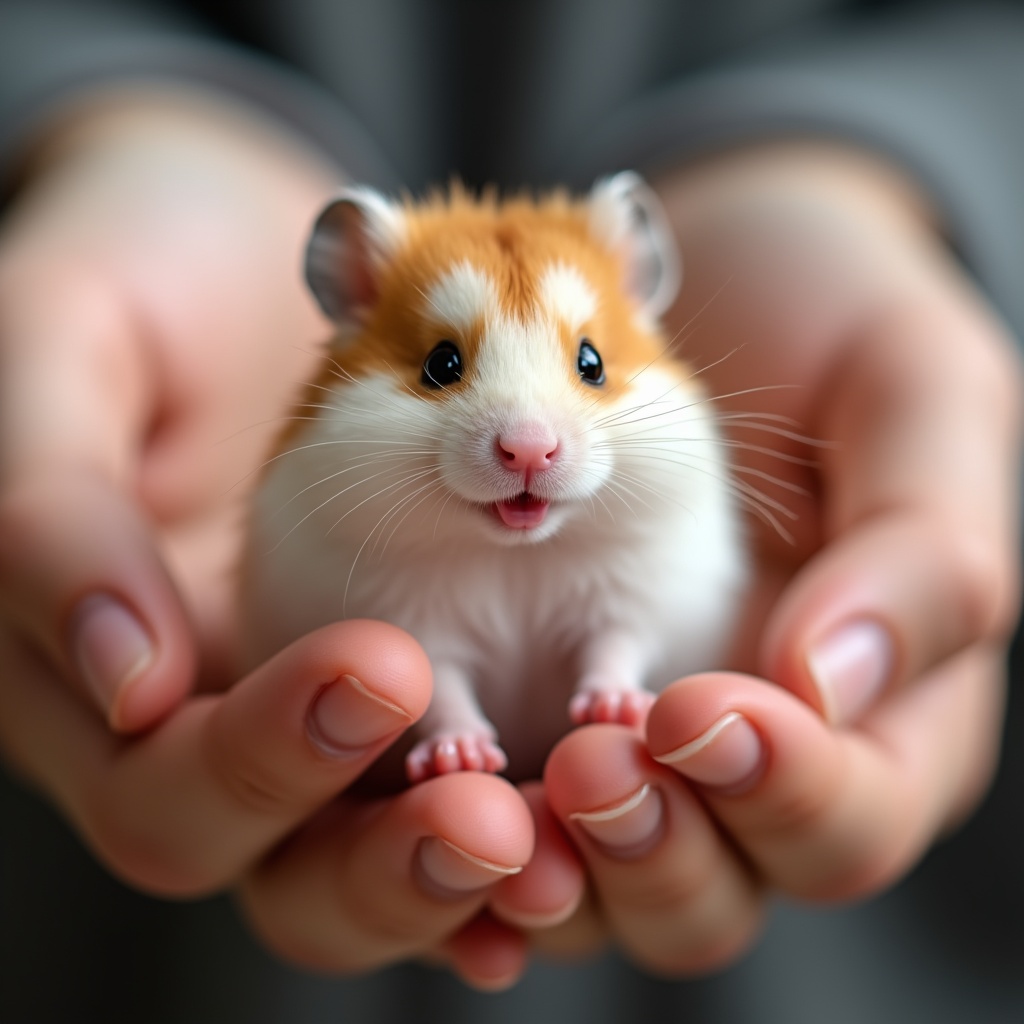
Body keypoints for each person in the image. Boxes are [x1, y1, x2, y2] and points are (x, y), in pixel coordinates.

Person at [0, 1, 1022, 1020]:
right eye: (445, 367)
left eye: (586, 366)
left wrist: (617, 667)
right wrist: (89, 131)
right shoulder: (325, 501)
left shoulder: (675, 472)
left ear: (641, 292)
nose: (529, 440)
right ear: (349, 286)